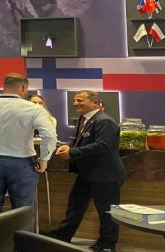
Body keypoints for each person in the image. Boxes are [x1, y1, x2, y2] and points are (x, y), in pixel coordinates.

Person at [0, 73, 57, 218]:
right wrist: (44, 159)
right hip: (22, 163)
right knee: (22, 212)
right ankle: (20, 234)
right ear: (24, 88)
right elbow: (50, 135)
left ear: (3, 86)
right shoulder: (35, 109)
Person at [51, 90, 126, 252]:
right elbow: (84, 141)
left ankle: (107, 245)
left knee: (107, 212)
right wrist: (68, 146)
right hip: (87, 174)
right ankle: (63, 236)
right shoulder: (84, 119)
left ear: (95, 102)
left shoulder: (105, 121)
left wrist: (72, 153)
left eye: (80, 100)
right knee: (75, 206)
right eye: (75, 100)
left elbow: (103, 145)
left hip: (105, 175)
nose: (75, 103)